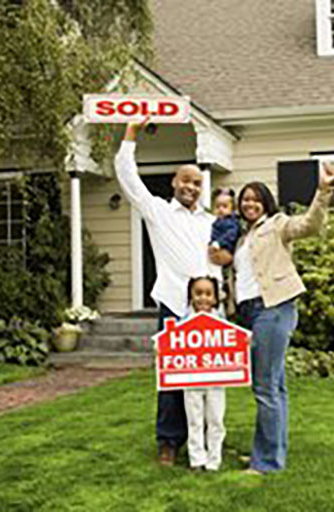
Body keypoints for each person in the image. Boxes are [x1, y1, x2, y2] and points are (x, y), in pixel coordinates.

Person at [213, 163, 334, 474]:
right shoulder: (242, 237)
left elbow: (310, 225)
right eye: (245, 200)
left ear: (266, 202)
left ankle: (266, 462)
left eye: (255, 199)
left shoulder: (278, 224)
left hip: (274, 308)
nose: (249, 204)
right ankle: (268, 453)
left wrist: (322, 191)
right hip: (251, 312)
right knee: (274, 387)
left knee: (265, 387)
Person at [114, 121, 226, 466]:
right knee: (171, 378)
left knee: (209, 382)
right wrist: (131, 133)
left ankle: (209, 443)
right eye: (185, 181)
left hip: (209, 312)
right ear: (174, 183)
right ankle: (168, 441)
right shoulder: (158, 212)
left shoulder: (210, 221)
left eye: (197, 182)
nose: (191, 186)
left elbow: (222, 262)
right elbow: (128, 176)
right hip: (174, 307)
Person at [183, 276, 226, 472]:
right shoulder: (183, 322)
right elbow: (173, 345)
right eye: (198, 293)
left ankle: (214, 459)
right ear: (191, 296)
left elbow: (231, 345)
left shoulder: (222, 322)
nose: (203, 298)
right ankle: (196, 458)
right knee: (194, 419)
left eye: (208, 294)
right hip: (191, 380)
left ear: (215, 298)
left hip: (216, 381)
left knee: (216, 419)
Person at [209, 188, 240, 254]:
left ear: (232, 209)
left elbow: (231, 235)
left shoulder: (231, 222)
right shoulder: (216, 221)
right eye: (217, 207)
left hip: (227, 248)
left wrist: (219, 243)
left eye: (225, 206)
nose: (220, 209)